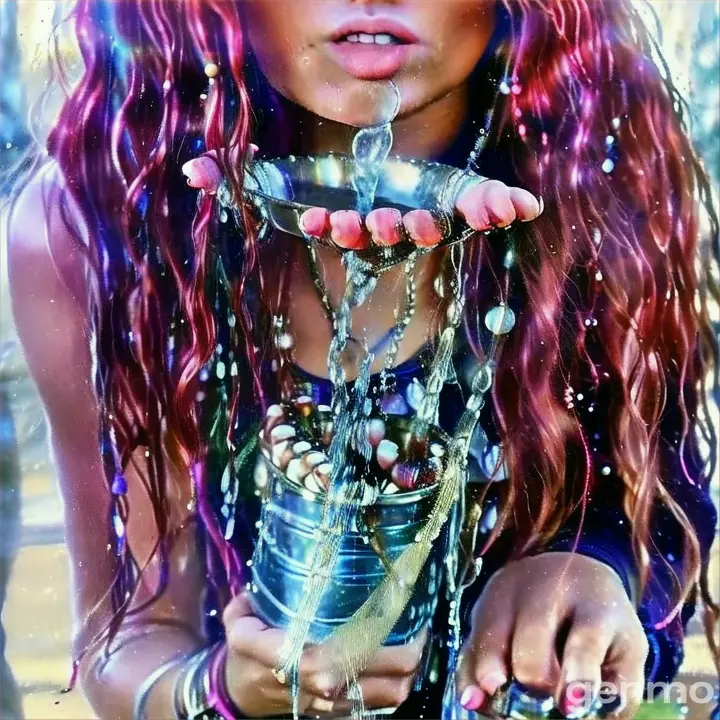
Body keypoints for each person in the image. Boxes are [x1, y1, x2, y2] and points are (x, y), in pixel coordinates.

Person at [6, 0, 719, 718]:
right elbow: (122, 643)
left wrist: (595, 573)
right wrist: (222, 690)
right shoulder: (98, 228)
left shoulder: (598, 177)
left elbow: (661, 512)